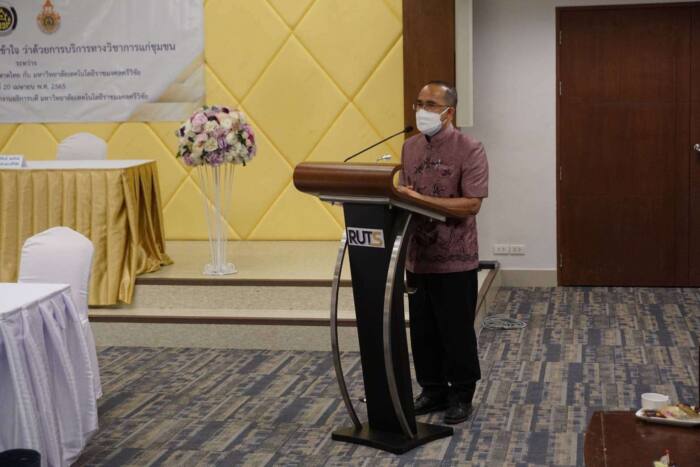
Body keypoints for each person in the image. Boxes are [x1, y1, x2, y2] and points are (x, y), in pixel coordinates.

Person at [397, 80, 488, 425]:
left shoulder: (470, 148)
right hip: (418, 256)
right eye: (419, 103)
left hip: (455, 258)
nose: (422, 111)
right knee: (422, 330)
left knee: (455, 331)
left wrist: (421, 200)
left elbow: (472, 204)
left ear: (449, 112)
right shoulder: (409, 148)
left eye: (431, 105)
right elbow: (404, 193)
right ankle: (432, 389)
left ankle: (461, 394)